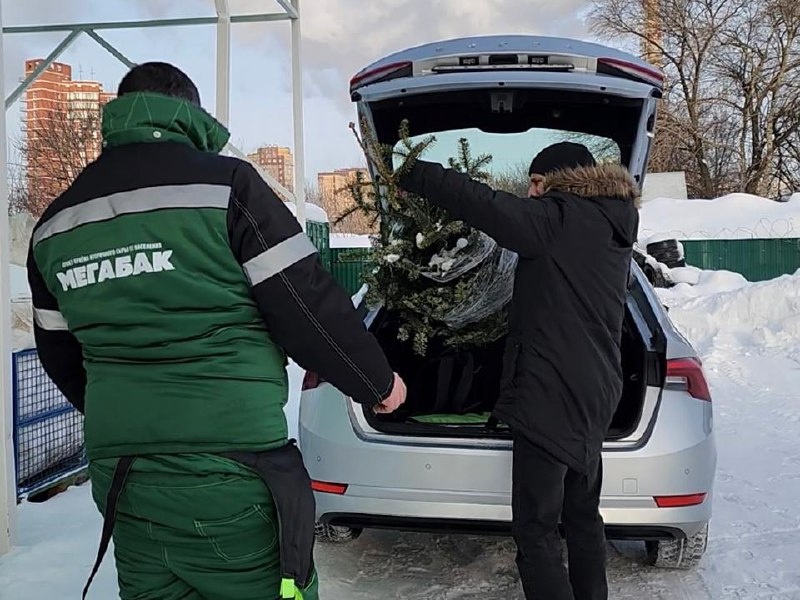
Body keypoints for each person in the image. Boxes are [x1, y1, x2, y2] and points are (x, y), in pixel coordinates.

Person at [27, 62, 407, 600]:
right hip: (229, 469)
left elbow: (60, 355)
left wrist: (131, 415)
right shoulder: (227, 187)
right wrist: (377, 382)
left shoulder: (56, 223)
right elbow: (306, 303)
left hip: (123, 475)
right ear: (193, 115)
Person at [399, 141, 640, 600]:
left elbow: (482, 203)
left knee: (535, 529)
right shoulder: (613, 225)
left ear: (560, 180)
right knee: (583, 516)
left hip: (551, 395)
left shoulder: (559, 219)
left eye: (535, 183)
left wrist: (414, 172)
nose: (531, 194)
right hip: (595, 391)